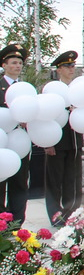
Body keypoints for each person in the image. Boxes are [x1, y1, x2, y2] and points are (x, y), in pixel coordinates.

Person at [44, 50, 84, 225]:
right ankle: (55, 214)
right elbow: (45, 117)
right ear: (58, 69)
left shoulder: (80, 89)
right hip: (56, 141)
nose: (71, 69)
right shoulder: (52, 90)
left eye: (73, 65)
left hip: (74, 140)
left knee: (73, 180)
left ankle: (72, 213)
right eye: (67, 66)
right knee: (55, 181)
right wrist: (47, 142)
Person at [0, 43, 30, 222]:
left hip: (20, 142)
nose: (17, 66)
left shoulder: (25, 88)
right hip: (2, 142)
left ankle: (18, 223)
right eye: (13, 62)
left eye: (20, 62)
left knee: (20, 183)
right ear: (3, 65)